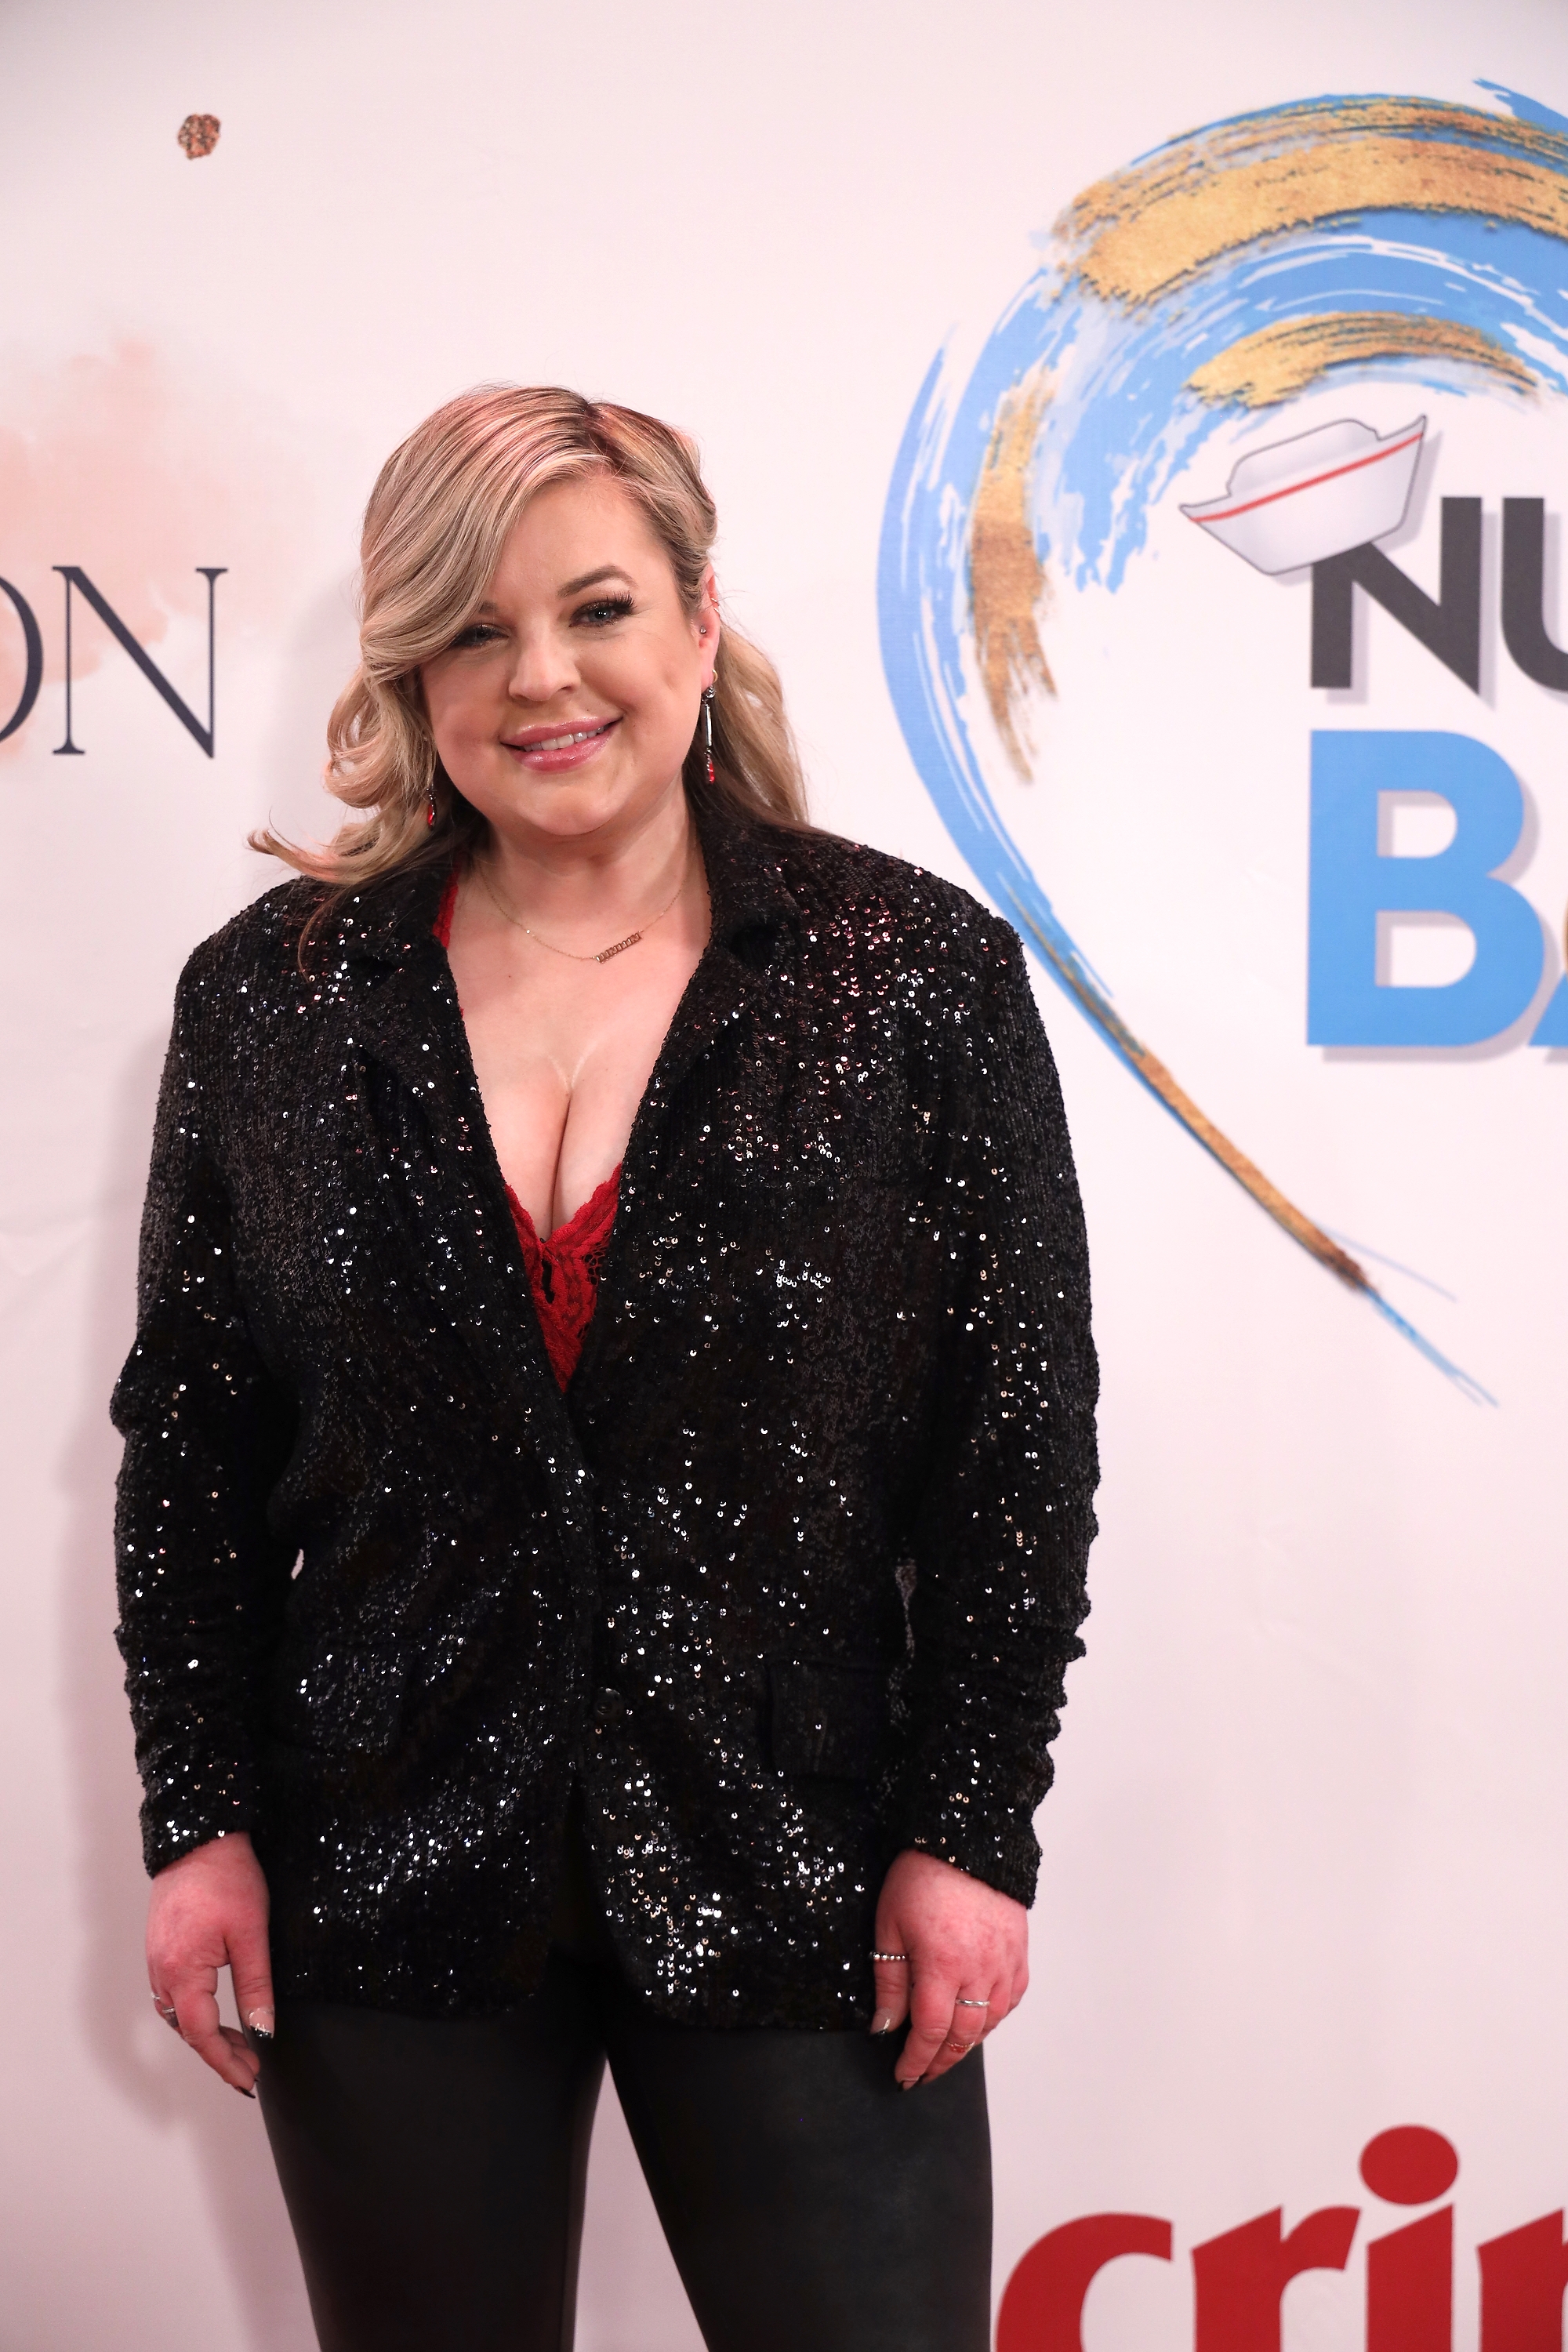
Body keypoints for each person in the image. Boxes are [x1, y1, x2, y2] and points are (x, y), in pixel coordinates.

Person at [114, 386, 1098, 2352]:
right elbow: (192, 1448)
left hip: (803, 1860)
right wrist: (197, 1816)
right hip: (383, 1869)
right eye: (474, 630)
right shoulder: (275, 996)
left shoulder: (911, 979)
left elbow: (1016, 1452)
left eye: (594, 609)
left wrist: (969, 1829)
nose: (540, 679)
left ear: (699, 621)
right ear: (412, 668)